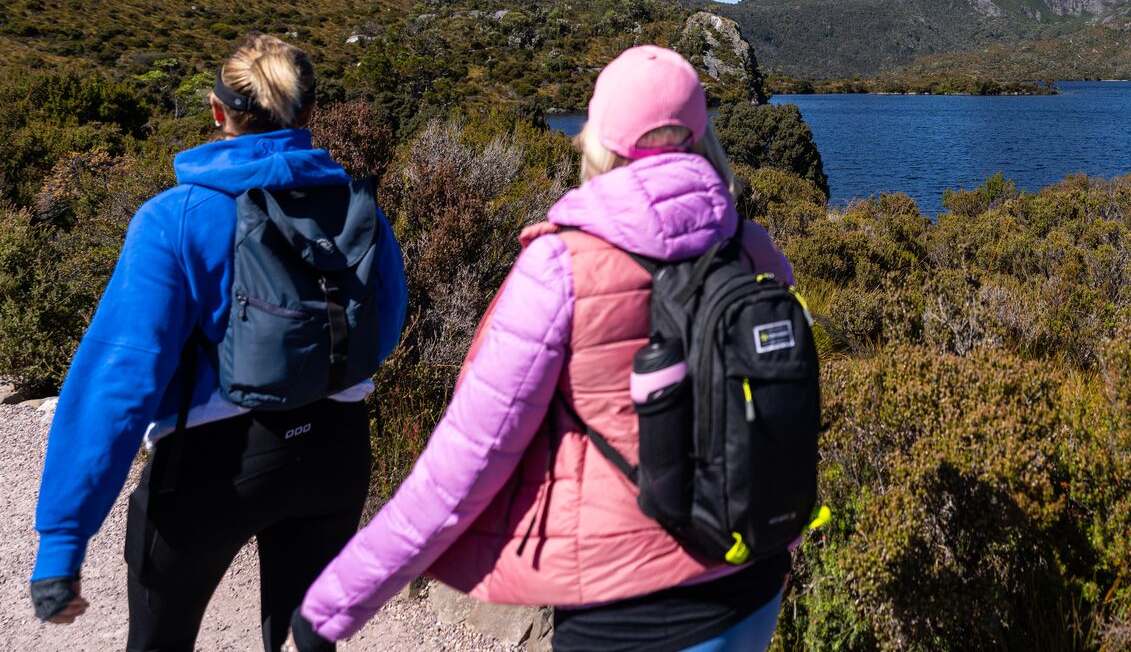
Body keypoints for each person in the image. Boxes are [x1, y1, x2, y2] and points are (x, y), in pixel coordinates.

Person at [296, 45, 797, 652]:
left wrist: (331, 606)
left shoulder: (560, 265)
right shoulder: (750, 247)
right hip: (754, 575)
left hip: (627, 611)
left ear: (599, 138)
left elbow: (464, 465)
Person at [29, 34, 409, 651]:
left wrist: (62, 544)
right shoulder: (355, 204)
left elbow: (120, 379)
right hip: (336, 451)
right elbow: (385, 323)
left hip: (213, 469)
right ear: (310, 113)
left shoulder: (174, 217)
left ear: (216, 110)